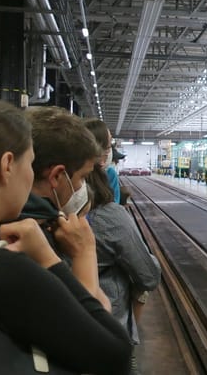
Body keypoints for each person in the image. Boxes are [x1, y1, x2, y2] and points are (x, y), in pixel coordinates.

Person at [0, 97, 132, 374]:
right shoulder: (8, 263)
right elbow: (113, 353)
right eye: (30, 162)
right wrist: (63, 258)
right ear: (8, 165)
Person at [83, 119, 161, 374]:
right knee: (143, 270)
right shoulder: (108, 214)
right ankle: (127, 347)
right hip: (107, 316)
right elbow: (149, 276)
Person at [19, 106, 111, 310]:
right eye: (83, 177)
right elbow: (97, 329)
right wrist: (84, 253)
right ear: (57, 176)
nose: (82, 187)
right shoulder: (29, 241)